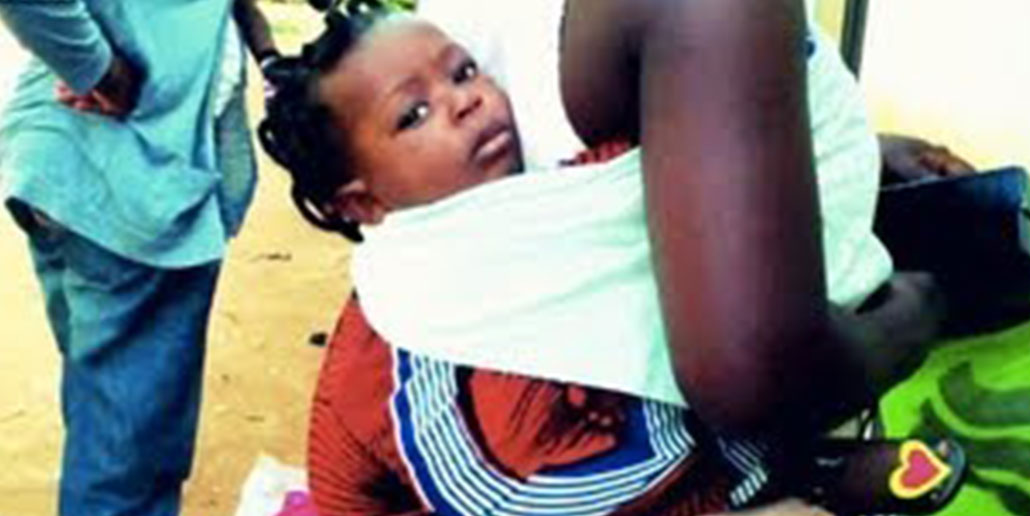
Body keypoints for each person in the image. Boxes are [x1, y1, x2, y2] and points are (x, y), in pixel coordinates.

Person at [258, 3, 964, 514]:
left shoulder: (560, 188)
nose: (465, 102)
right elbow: (494, 489)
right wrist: (916, 314)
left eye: (464, 72)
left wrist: (828, 146)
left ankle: (799, 469)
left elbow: (663, 162)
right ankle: (787, 481)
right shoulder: (411, 332)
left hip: (658, 422)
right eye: (414, 115)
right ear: (363, 203)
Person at [0, 0, 275, 513]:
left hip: (88, 169)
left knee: (108, 416)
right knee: (126, 462)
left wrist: (268, 54)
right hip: (130, 178)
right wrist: (98, 70)